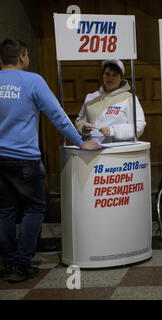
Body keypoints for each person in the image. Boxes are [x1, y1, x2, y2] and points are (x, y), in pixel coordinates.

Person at [0, 39, 99, 283]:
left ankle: (9, 261)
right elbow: (58, 116)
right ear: (23, 56)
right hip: (25, 159)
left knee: (4, 210)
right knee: (35, 208)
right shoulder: (33, 81)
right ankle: (22, 264)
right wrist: (79, 141)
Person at [75, 59, 146, 143]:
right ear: (102, 76)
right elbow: (80, 121)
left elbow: (139, 126)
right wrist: (83, 127)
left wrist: (113, 131)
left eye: (114, 75)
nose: (110, 78)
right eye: (107, 74)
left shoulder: (130, 98)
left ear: (121, 78)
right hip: (94, 150)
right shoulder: (91, 97)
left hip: (120, 151)